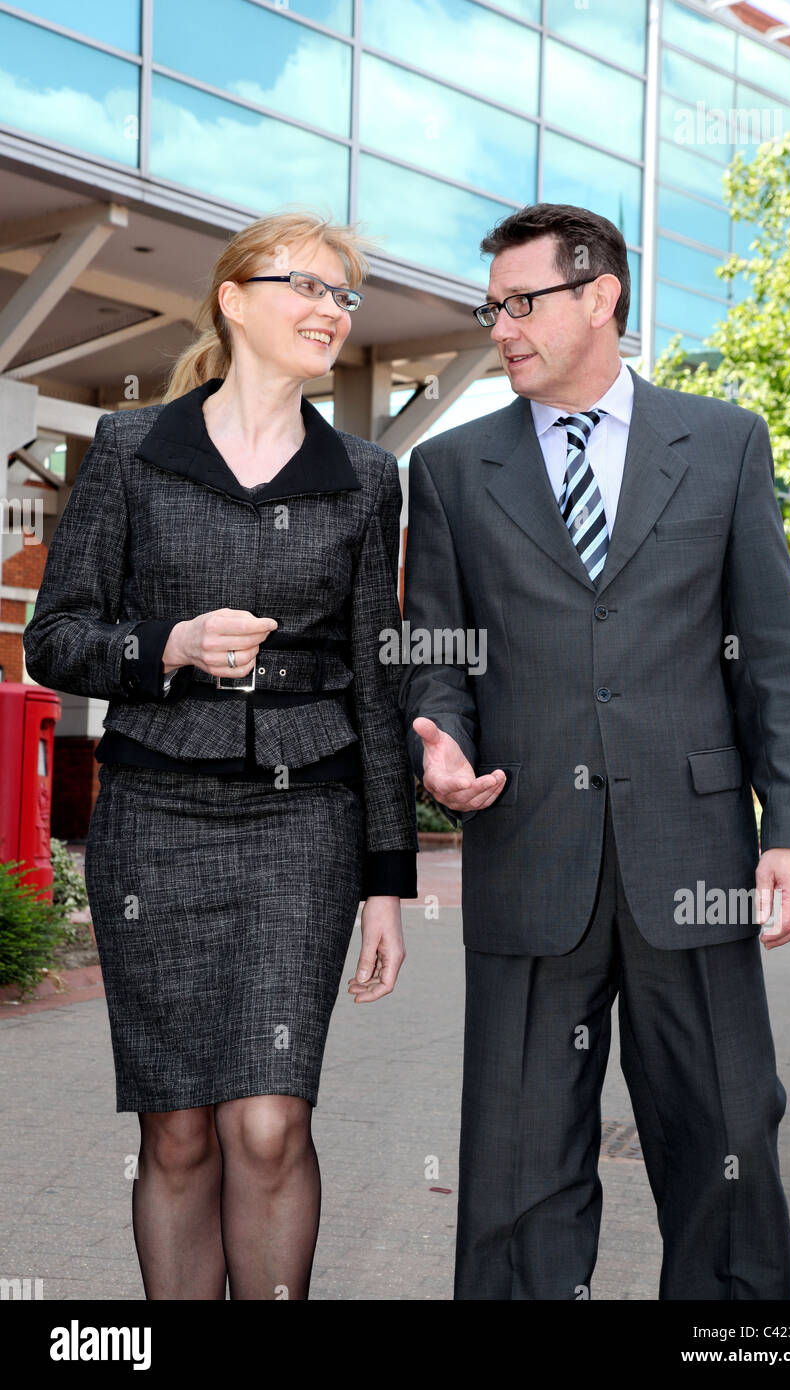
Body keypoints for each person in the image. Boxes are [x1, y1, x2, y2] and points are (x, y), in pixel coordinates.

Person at [399, 203, 790, 1301]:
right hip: (527, 847)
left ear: (601, 297)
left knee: (727, 1131)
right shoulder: (449, 468)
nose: (498, 326)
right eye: (488, 305)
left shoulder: (724, 441)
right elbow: (436, 649)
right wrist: (438, 741)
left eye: (520, 302)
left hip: (689, 853)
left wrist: (789, 829)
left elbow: (771, 658)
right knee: (515, 1153)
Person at [23, 211, 418, 1301]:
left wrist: (390, 882)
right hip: (155, 820)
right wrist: (171, 645)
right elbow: (53, 637)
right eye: (308, 285)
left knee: (266, 1120)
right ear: (235, 297)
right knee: (182, 1133)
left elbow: (378, 680)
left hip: (305, 820)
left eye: (345, 296)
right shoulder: (132, 451)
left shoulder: (365, 474)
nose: (330, 310)